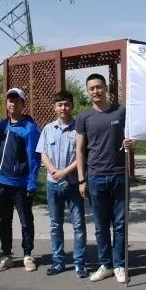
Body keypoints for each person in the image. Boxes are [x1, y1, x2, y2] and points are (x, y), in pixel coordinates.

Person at [76, 73, 133, 284]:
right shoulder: (84, 117)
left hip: (119, 175)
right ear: (87, 91)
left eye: (99, 87)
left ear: (106, 88)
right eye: (91, 88)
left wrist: (132, 143)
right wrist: (81, 180)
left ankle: (119, 265)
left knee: (120, 224)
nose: (96, 91)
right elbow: (79, 150)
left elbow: (134, 135)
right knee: (101, 226)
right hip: (95, 177)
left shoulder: (121, 112)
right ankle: (106, 265)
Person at [36, 90, 88, 278]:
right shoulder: (48, 129)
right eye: (59, 105)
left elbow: (82, 155)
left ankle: (79, 263)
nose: (63, 108)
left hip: (73, 183)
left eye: (66, 104)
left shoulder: (78, 129)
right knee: (55, 225)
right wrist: (52, 170)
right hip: (53, 184)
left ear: (72, 106)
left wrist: (65, 172)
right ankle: (58, 261)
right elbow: (43, 153)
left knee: (78, 224)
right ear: (54, 107)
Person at [0, 88, 41, 272]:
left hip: (21, 184)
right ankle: (7, 256)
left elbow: (34, 158)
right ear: (6, 103)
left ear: (23, 104)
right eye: (10, 100)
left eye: (16, 101)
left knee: (26, 221)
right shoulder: (0, 127)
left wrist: (32, 182)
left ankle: (28, 255)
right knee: (4, 221)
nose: (12, 104)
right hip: (1, 182)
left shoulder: (29, 128)